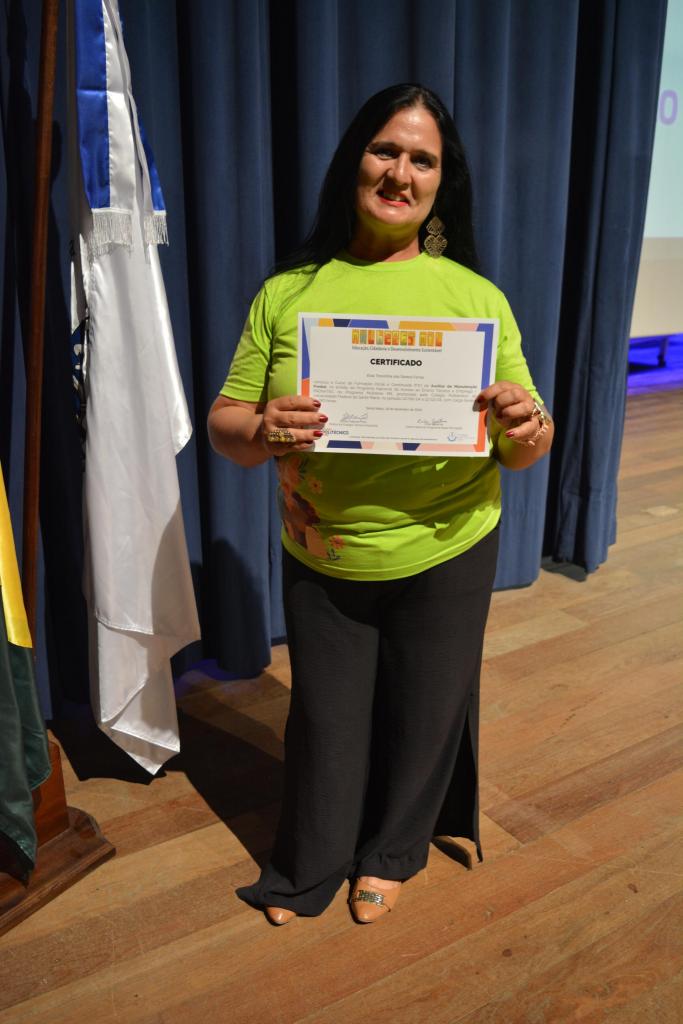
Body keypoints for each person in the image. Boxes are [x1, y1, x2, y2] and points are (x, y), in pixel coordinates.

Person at [208, 83, 554, 926]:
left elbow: (525, 444)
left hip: (449, 543)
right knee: (326, 722)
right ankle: (311, 862)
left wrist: (525, 421)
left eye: (422, 160)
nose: (401, 173)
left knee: (426, 709)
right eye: (385, 151)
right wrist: (262, 426)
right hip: (326, 550)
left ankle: (394, 853)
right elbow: (225, 426)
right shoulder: (288, 292)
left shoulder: (476, 299)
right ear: (354, 162)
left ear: (441, 183)